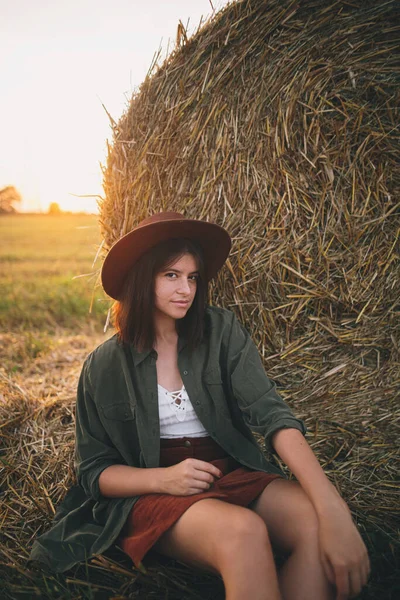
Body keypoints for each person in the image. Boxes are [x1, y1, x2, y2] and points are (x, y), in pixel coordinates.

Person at [30, 212, 370, 600]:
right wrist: (163, 479)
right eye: (171, 275)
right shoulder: (104, 366)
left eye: (192, 277)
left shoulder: (221, 332)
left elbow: (273, 415)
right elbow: (93, 471)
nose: (186, 289)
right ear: (144, 278)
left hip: (229, 471)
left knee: (314, 522)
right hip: (153, 490)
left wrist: (333, 507)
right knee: (243, 532)